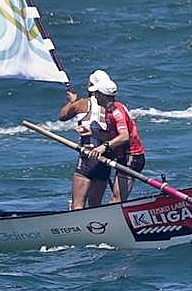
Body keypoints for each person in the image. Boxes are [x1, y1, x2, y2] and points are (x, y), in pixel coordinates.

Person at [60, 70, 147, 206]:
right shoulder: (110, 109)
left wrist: (102, 147)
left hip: (130, 156)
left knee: (114, 201)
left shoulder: (114, 110)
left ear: (101, 93)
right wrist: (92, 132)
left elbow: (124, 136)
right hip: (112, 157)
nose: (95, 96)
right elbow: (111, 135)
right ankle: (97, 226)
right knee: (100, 204)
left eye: (97, 93)